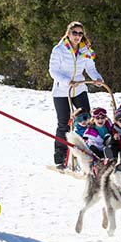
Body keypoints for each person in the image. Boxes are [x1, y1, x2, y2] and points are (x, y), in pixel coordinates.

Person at [49, 21, 104, 169]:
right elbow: (53, 71)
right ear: (68, 33)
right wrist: (67, 81)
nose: (77, 36)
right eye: (75, 33)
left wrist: (97, 78)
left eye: (80, 34)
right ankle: (60, 158)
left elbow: (90, 68)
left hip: (79, 88)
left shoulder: (85, 49)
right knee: (64, 123)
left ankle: (89, 153)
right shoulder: (59, 49)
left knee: (86, 119)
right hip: (62, 90)